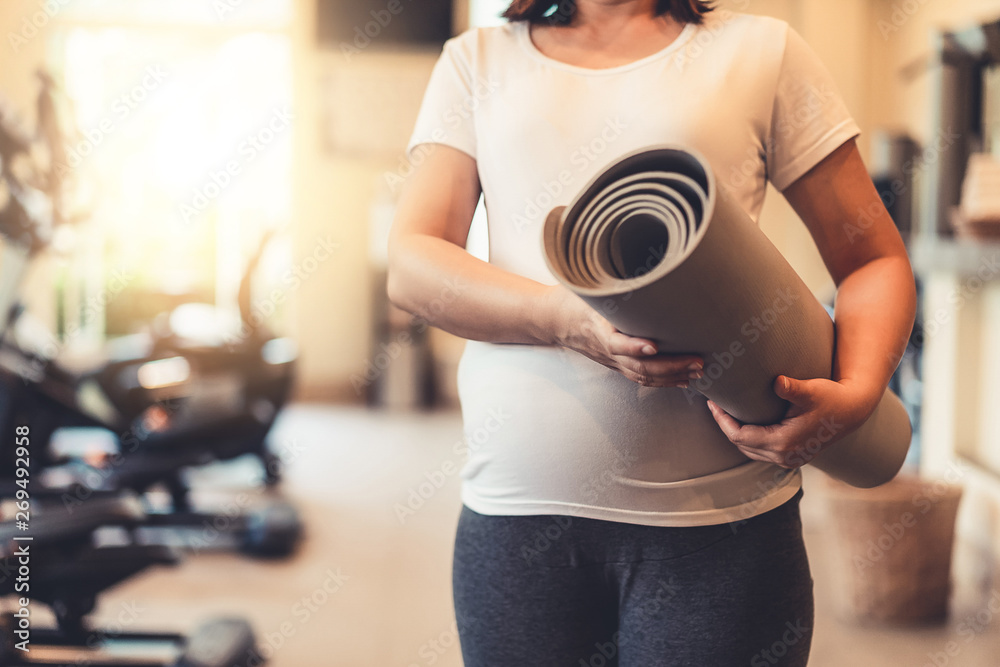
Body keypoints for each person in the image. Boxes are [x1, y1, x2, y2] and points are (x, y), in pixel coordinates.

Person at [387, 1, 917, 665]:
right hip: (517, 521)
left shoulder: (762, 53)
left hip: (722, 530)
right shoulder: (475, 61)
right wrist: (569, 320)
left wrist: (862, 388)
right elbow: (412, 264)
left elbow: (873, 257)